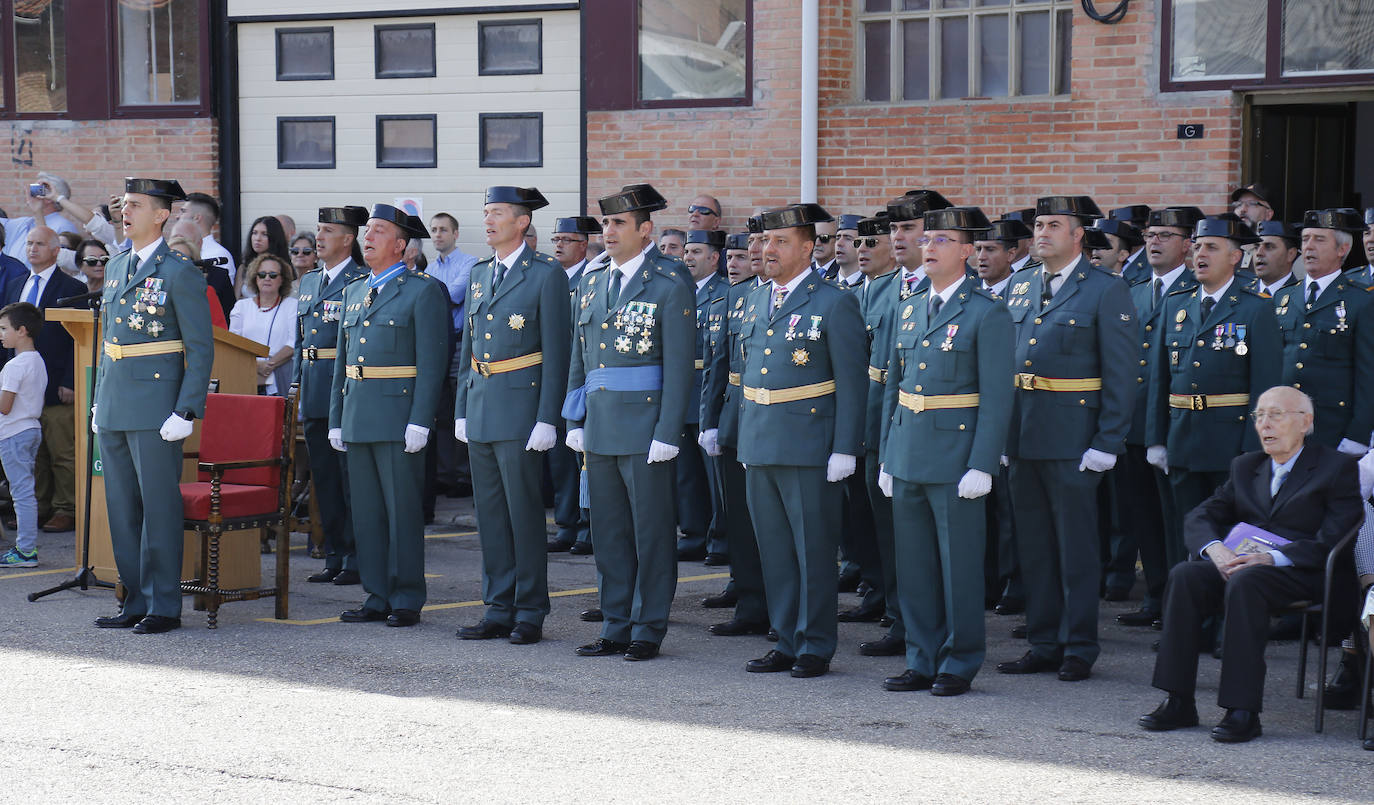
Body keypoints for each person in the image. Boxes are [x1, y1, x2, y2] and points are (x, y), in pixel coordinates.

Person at [1140, 386, 1361, 743]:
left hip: (1304, 571)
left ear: (1305, 422)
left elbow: (1334, 538)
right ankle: (1177, 700)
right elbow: (1201, 515)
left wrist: (1271, 557)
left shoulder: (1336, 468)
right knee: (1185, 575)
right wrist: (1215, 549)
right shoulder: (1246, 466)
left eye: (1276, 415)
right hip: (1244, 565)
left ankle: (1241, 710)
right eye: (1259, 416)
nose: (1265, 424)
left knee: (1247, 582)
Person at [997, 195, 1135, 682]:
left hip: (1074, 439)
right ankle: (1043, 641)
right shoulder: (1020, 285)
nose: (1042, 233)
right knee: (1034, 546)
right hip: (1023, 435)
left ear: (1078, 236)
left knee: (1075, 548)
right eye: (1039, 225)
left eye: (1054, 225)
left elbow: (1122, 373)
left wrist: (1108, 441)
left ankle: (1079, 645)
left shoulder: (1105, 289)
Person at [877, 206, 1013, 695]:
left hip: (956, 458)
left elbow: (998, 396)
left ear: (966, 251)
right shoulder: (909, 306)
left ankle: (959, 660)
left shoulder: (987, 311)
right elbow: (894, 387)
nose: (928, 247)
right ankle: (921, 657)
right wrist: (888, 455)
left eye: (941, 240)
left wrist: (982, 463)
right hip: (908, 451)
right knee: (914, 567)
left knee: (958, 568)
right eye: (926, 239)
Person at [563, 183, 694, 661]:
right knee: (609, 533)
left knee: (651, 533)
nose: (609, 230)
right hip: (600, 423)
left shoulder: (668, 281)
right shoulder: (593, 280)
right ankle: (615, 624)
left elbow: (680, 365)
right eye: (606, 222)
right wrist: (574, 416)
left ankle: (647, 627)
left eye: (619, 223)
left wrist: (668, 431)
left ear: (645, 230)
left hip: (645, 426)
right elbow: (580, 355)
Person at [738, 203, 865, 679]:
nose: (768, 249)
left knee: (812, 552)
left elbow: (852, 381)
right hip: (760, 440)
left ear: (808, 247)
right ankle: (786, 638)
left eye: (781, 241)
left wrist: (844, 448)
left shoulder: (833, 302)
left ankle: (814, 643)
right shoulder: (755, 298)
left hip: (810, 445)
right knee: (774, 550)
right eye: (765, 241)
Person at [92, 177, 214, 635]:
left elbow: (200, 348)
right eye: (124, 204)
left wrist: (186, 410)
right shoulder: (116, 265)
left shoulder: (179, 271)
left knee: (158, 509)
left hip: (158, 407)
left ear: (162, 215)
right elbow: (109, 343)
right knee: (122, 509)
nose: (125, 212)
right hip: (116, 402)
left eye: (136, 205)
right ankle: (134, 599)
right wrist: (100, 400)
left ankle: (164, 604)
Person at [454, 187, 570, 646]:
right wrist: (462, 408)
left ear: (522, 222)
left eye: (497, 213)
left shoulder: (545, 274)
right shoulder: (480, 273)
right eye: (485, 213)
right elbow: (469, 348)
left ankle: (530, 610)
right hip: (482, 405)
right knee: (490, 517)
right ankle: (497, 607)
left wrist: (548, 418)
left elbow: (558, 352)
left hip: (522, 409)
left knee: (523, 515)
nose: (487, 221)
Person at [1145, 215, 1283, 584]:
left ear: (1236, 257)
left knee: (1229, 535)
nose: (1200, 254)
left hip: (1230, 444)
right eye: (1198, 246)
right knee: (1183, 532)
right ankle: (1183, 611)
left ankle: (1226, 613)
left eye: (1211, 247)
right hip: (1182, 439)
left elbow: (1265, 386)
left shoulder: (1255, 307)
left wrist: (1254, 448)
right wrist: (1156, 438)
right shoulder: (1177, 304)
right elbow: (1160, 377)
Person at [329, 205, 448, 628]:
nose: (368, 237)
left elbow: (432, 363)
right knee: (366, 513)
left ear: (400, 245)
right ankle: (377, 593)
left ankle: (406, 596)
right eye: (368, 231)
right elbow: (343, 362)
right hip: (359, 413)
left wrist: (421, 420)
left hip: (398, 416)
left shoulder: (421, 291)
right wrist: (336, 417)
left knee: (401, 512)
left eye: (379, 231)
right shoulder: (354, 291)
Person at [699, 227, 770, 636]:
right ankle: (749, 601)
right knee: (739, 520)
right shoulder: (734, 296)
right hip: (734, 418)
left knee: (772, 523)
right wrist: (709, 421)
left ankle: (782, 605)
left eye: (763, 244)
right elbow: (717, 363)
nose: (755, 252)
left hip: (774, 418)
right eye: (750, 246)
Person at [294, 205, 369, 586]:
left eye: (327, 231)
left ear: (348, 238)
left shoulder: (361, 279)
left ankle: (356, 557)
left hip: (344, 391)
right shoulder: (309, 282)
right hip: (314, 389)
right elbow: (300, 340)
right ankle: (334, 554)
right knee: (323, 478)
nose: (318, 237)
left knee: (349, 480)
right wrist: (296, 385)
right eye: (318, 229)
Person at [3, 227, 85, 535]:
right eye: (29, 243)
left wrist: (71, 380)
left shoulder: (73, 287)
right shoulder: (16, 284)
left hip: (56, 385)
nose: (33, 249)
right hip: (19, 387)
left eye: (40, 244)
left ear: (55, 250)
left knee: (61, 451)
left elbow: (78, 339)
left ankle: (66, 508)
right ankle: (36, 507)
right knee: (32, 455)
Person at [1275, 208, 1374, 451]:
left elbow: (1368, 375)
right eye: (1305, 239)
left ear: (1342, 249)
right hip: (1284, 426)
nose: (1308, 247)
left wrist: (1358, 435)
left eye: (1319, 240)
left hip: (1332, 429)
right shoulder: (1283, 297)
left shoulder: (1361, 300)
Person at [546, 216, 600, 554]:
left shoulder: (592, 278)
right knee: (560, 461)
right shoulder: (551, 278)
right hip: (556, 379)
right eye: (556, 239)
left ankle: (588, 528)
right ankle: (566, 525)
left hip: (581, 380)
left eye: (566, 239)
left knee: (585, 459)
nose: (558, 245)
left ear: (583, 245)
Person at [676, 229, 728, 563]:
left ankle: (720, 539)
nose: (688, 258)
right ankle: (693, 534)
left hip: (708, 392)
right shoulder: (680, 291)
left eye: (696, 252)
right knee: (687, 475)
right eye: (686, 252)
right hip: (683, 391)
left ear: (714, 258)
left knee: (714, 477)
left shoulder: (723, 292)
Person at [427, 212, 481, 504]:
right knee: (443, 412)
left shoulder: (469, 263)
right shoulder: (430, 267)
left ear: (455, 234)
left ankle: (464, 476)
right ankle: (445, 474)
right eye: (434, 230)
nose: (438, 235)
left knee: (462, 409)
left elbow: (452, 296)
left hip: (460, 343)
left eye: (443, 230)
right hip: (437, 344)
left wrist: (427, 298)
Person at [0, 302, 47, 567]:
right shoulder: (37, 360)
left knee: (22, 494)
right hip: (30, 430)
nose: (1, 334)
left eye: (4, 328)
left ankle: (26, 551)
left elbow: (5, 407)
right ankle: (25, 548)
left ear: (22, 330)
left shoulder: (15, 366)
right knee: (24, 492)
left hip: (14, 434)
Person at [230, 254, 298, 396]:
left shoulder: (292, 305)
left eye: (273, 275)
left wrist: (269, 364)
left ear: (282, 279)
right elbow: (233, 344)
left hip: (281, 375)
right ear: (255, 278)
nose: (267, 278)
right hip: (245, 375)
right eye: (262, 274)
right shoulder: (241, 306)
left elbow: (293, 343)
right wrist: (255, 365)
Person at [1, 173, 80, 268]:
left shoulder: (64, 226)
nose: (32, 192)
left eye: (39, 189)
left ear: (50, 196)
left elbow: (65, 263)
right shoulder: (24, 222)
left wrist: (38, 210)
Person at [165, 231, 229, 329]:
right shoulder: (153, 293)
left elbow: (220, 332)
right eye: (172, 258)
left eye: (184, 259)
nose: (177, 264)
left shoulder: (206, 293)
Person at [179, 192, 237, 285]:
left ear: (196, 218)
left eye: (183, 211)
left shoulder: (218, 255)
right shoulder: (181, 250)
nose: (177, 216)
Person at [237, 215, 290, 299]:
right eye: (254, 233)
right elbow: (236, 298)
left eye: (264, 234)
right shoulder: (243, 268)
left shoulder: (284, 267)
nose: (258, 238)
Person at [1252, 221, 1301, 297]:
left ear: (1291, 254)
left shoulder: (1301, 297)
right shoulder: (1241, 294)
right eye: (1256, 247)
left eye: (1269, 247)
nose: (1259, 253)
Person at [832, 214, 862, 286]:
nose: (839, 243)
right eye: (837, 238)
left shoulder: (869, 286)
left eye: (848, 238)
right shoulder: (825, 285)